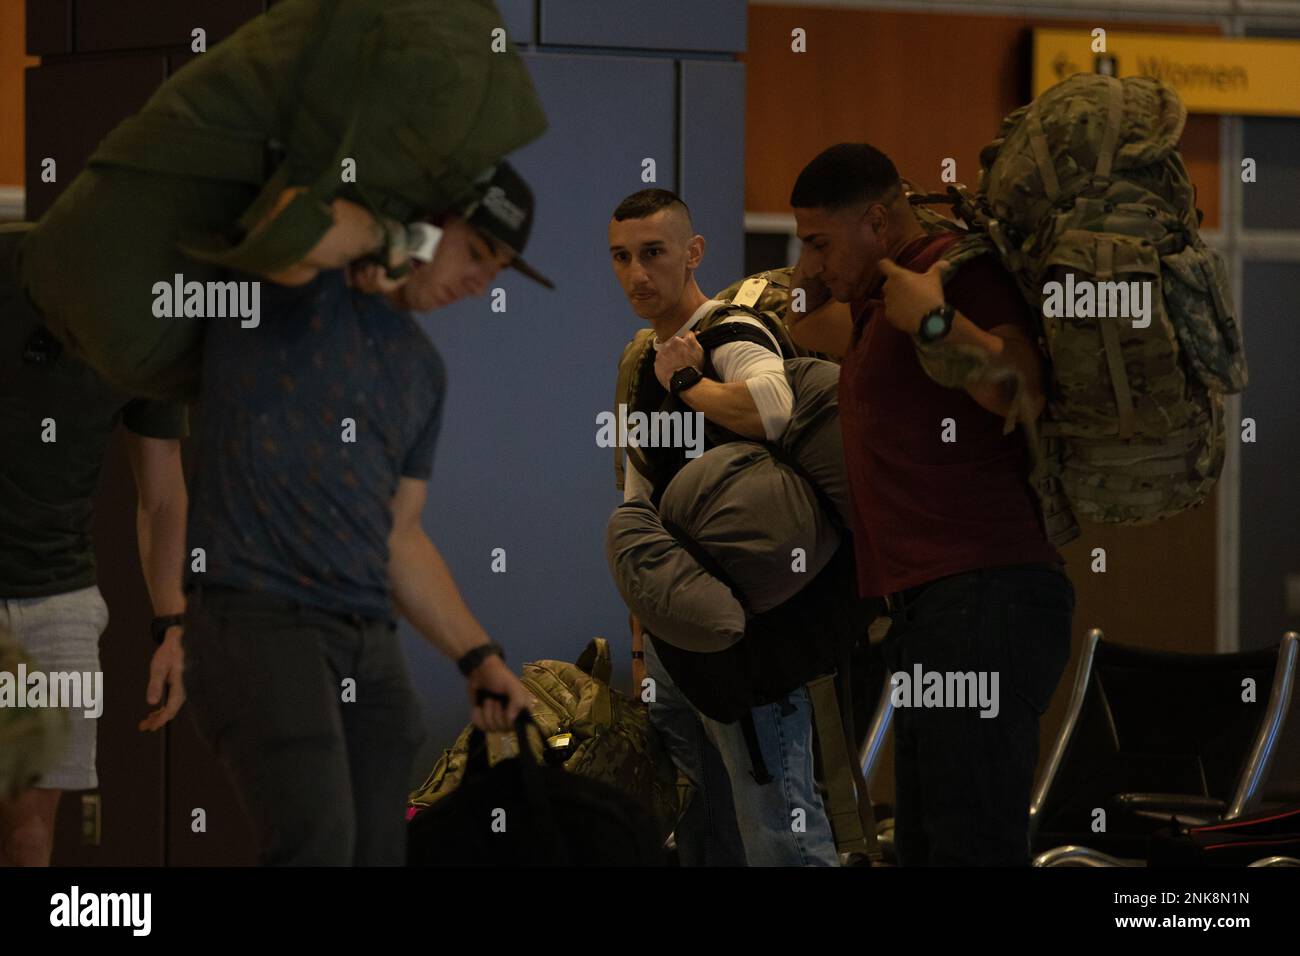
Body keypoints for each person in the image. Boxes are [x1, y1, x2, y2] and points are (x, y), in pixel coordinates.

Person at [180, 162, 551, 866]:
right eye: (475, 253)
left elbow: (400, 536)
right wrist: (387, 236)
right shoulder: (299, 286)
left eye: (495, 270)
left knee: (378, 853)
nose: (481, 283)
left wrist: (478, 656)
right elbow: (282, 218)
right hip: (258, 616)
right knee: (317, 847)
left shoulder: (420, 369)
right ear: (429, 224)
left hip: (367, 641)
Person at [790, 143, 1075, 866]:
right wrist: (814, 263)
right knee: (921, 845)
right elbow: (802, 323)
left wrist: (937, 323)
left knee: (969, 844)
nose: (817, 262)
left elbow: (1021, 390)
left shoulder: (956, 272)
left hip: (985, 599)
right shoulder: (877, 304)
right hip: (928, 613)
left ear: (879, 221)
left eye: (823, 242)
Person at [608, 189, 839, 866]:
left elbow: (772, 406)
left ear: (693, 253)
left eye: (653, 253)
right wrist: (643, 654)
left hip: (753, 639)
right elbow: (639, 510)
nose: (636, 273)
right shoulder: (641, 364)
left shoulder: (729, 331)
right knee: (704, 832)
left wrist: (689, 385)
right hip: (678, 640)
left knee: (779, 830)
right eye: (621, 258)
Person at [0, 225, 189, 867]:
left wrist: (172, 622)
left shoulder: (149, 334)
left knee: (28, 835)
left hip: (58, 604)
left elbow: (162, 494)